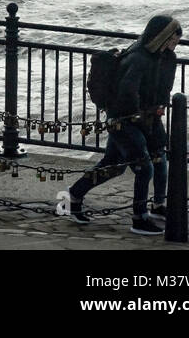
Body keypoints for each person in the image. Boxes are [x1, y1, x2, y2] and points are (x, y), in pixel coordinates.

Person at [65, 15, 181, 235]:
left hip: (148, 118)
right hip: (124, 121)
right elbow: (127, 93)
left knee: (122, 163)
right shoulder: (139, 58)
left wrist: (159, 107)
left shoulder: (162, 57)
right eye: (173, 39)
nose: (175, 44)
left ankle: (75, 195)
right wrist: (141, 117)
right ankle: (139, 219)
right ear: (162, 36)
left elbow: (161, 87)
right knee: (144, 167)